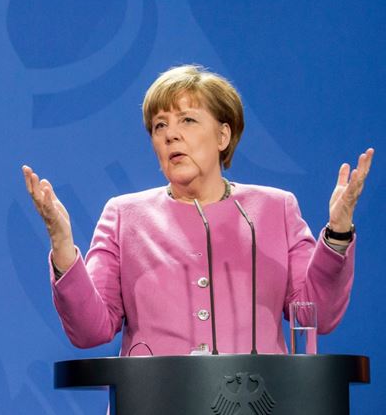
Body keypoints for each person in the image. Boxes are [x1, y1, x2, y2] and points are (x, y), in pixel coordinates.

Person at [23, 65, 373, 355]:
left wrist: (339, 231)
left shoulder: (274, 209)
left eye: (187, 121)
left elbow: (317, 316)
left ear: (223, 136)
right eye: (160, 125)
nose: (171, 135)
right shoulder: (124, 216)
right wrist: (62, 244)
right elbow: (90, 330)